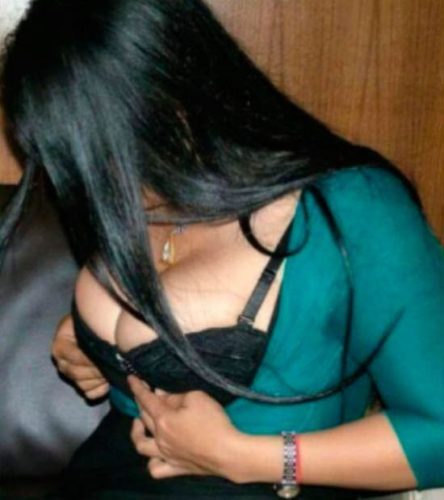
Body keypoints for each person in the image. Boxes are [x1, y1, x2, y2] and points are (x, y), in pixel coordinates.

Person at [1, 0, 443, 498]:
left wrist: (243, 456)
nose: (90, 184)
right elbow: (163, 318)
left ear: (176, 94)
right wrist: (87, 341)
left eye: (104, 151)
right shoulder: (124, 197)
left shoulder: (352, 205)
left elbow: (440, 432)